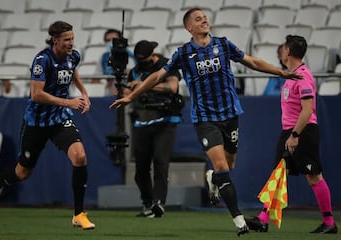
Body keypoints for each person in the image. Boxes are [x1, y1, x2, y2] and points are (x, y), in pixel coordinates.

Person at [110, 7, 301, 236]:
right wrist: (132, 95)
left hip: (230, 115)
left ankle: (213, 178)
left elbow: (252, 61)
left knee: (228, 167)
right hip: (204, 119)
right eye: (198, 19)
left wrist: (280, 73)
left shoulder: (223, 44)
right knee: (222, 167)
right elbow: (157, 76)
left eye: (205, 18)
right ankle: (239, 220)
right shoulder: (183, 53)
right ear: (189, 27)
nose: (204, 21)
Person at [0, 21, 95, 230]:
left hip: (60, 118)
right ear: (55, 40)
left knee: (80, 157)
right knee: (23, 172)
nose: (71, 43)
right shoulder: (42, 60)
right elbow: (36, 95)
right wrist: (69, 102)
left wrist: (84, 93)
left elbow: (73, 74)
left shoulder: (74, 56)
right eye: (67, 40)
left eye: (72, 38)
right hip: (37, 122)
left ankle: (78, 214)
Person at [246, 35, 338, 234]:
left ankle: (329, 223)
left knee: (314, 177)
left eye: (283, 48)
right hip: (290, 131)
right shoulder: (292, 74)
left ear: (288, 52)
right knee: (278, 174)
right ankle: (263, 219)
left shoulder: (302, 76)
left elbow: (307, 110)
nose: (281, 51)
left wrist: (295, 135)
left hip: (302, 132)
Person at [123, 40, 183, 218]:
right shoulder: (135, 71)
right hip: (142, 121)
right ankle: (147, 203)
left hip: (165, 120)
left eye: (146, 59)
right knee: (141, 168)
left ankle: (159, 203)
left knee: (160, 161)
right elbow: (127, 93)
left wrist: (142, 86)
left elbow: (173, 87)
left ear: (153, 55)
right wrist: (124, 90)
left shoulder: (166, 65)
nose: (143, 63)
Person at [93, 29, 136, 95]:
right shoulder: (103, 57)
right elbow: (95, 79)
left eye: (113, 40)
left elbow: (132, 75)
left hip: (129, 93)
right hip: (109, 93)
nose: (110, 42)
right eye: (107, 40)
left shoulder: (130, 56)